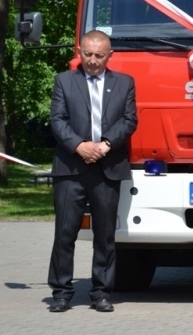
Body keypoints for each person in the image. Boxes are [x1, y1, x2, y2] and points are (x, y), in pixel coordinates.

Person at [47, 30, 138, 313]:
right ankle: (62, 292)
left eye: (99, 55)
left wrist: (106, 145)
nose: (93, 60)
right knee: (65, 233)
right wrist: (79, 145)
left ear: (110, 55)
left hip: (107, 168)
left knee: (105, 235)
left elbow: (129, 120)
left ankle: (101, 292)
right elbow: (57, 120)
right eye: (88, 54)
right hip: (70, 169)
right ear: (80, 52)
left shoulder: (124, 83)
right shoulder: (64, 81)